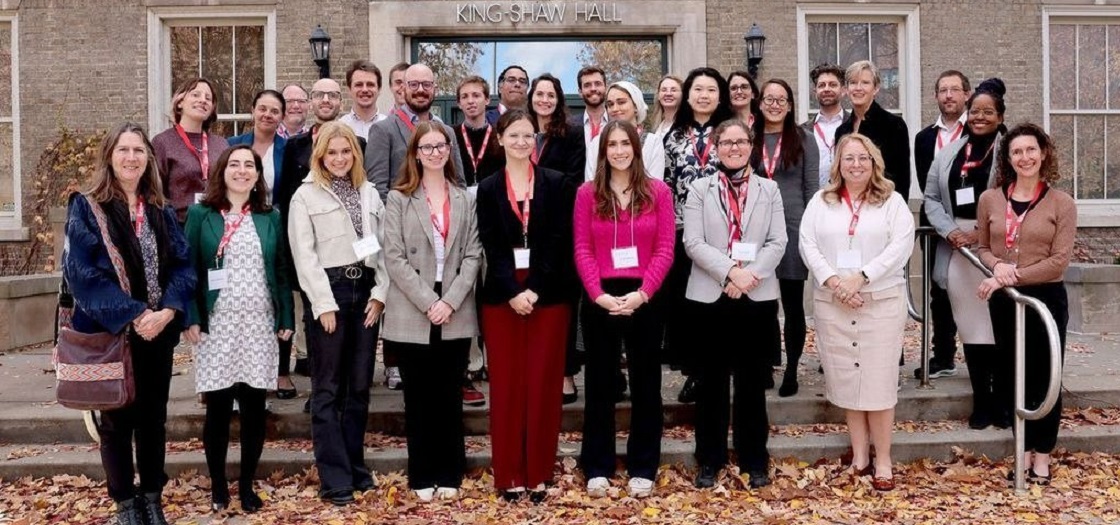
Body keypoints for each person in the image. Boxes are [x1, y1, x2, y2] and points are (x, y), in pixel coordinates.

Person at [64, 122, 195, 525]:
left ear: (148, 159)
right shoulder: (88, 208)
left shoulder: (159, 209)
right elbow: (83, 274)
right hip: (113, 331)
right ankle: (125, 503)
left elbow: (184, 265)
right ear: (109, 155)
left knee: (153, 419)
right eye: (123, 149)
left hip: (158, 332)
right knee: (117, 421)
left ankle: (152, 496)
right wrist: (136, 314)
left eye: (139, 150)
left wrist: (169, 311)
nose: (131, 157)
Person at [799, 133, 915, 491]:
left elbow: (901, 246)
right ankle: (860, 454)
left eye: (863, 158)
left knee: (878, 384)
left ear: (874, 162)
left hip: (878, 302)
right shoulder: (822, 201)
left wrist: (862, 277)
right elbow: (808, 243)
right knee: (849, 379)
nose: (856, 164)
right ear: (838, 164)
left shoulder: (892, 202)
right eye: (848, 158)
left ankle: (883, 459)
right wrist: (835, 282)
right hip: (834, 302)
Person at [183, 145, 294, 513]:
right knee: (217, 408)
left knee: (252, 408)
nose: (242, 171)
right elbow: (188, 271)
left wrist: (286, 319)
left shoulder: (269, 216)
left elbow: (280, 271)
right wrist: (191, 316)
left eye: (250, 165)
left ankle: (246, 485)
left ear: (258, 175)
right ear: (222, 170)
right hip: (216, 325)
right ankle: (218, 486)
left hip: (258, 323)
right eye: (235, 164)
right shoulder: (201, 215)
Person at [287, 122, 389, 506]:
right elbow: (304, 255)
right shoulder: (305, 196)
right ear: (320, 156)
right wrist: (322, 304)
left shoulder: (369, 192)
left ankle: (355, 467)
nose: (340, 158)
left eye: (346, 152)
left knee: (359, 387)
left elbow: (383, 246)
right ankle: (334, 478)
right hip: (330, 293)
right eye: (332, 153)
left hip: (365, 291)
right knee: (328, 389)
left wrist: (380, 293)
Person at [476, 109, 575, 503]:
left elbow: (556, 240)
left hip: (548, 297)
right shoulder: (486, 188)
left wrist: (533, 287)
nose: (521, 142)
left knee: (543, 386)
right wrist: (514, 291)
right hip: (502, 299)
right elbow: (492, 244)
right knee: (507, 386)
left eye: (527, 135)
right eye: (514, 135)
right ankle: (510, 473)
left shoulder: (556, 182)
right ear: (499, 139)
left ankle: (538, 473)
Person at [382, 122, 484, 502]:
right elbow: (393, 257)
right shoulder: (399, 198)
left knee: (448, 395)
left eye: (441, 145)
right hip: (413, 305)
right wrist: (429, 302)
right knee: (419, 398)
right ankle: (423, 473)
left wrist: (450, 301)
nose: (435, 152)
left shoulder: (464, 198)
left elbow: (474, 253)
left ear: (449, 150)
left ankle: (450, 471)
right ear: (415, 152)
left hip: (455, 303)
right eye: (427, 147)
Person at [574, 120, 674, 499]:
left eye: (624, 143)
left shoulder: (658, 193)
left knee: (647, 384)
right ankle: (597, 465)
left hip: (644, 295)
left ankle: (643, 465)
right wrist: (597, 294)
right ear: (603, 151)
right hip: (600, 296)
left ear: (636, 147)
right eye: (611, 144)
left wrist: (643, 293)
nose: (618, 150)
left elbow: (665, 248)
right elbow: (582, 248)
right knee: (599, 384)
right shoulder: (587, 194)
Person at [683, 119, 785, 490]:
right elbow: (693, 243)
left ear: (751, 145)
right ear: (716, 146)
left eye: (740, 141)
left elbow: (778, 241)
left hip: (755, 296)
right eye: (726, 142)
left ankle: (754, 458)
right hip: (711, 296)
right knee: (710, 384)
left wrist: (748, 276)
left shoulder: (769, 190)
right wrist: (730, 274)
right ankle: (709, 459)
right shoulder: (699, 189)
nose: (734, 148)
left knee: (751, 383)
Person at [976, 123, 1075, 485]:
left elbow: (1058, 261)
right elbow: (983, 248)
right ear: (1008, 158)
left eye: (1031, 150)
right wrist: (996, 266)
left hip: (1045, 299)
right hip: (1006, 302)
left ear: (1044, 153)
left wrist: (1008, 275)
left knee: (1044, 377)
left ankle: (1043, 456)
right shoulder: (990, 199)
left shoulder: (1061, 203)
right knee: (1010, 375)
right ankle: (1022, 451)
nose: (1025, 157)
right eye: (1017, 152)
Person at [924, 78, 1005, 430]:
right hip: (958, 248)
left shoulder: (1010, 150)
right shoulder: (950, 153)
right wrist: (951, 231)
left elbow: (1016, 200)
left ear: (1001, 116)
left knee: (999, 329)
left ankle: (1003, 401)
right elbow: (930, 198)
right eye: (975, 111)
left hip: (996, 247)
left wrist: (981, 233)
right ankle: (981, 403)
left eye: (988, 112)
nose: (980, 117)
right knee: (972, 330)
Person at [275, 77, 358, 395]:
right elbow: (285, 199)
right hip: (309, 249)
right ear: (310, 101)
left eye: (333, 95)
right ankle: (320, 390)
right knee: (315, 323)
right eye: (320, 95)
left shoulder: (356, 144)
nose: (326, 100)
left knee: (346, 324)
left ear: (341, 101)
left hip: (346, 252)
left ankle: (347, 385)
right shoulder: (295, 147)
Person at [662, 67, 733, 403]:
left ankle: (717, 368)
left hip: (723, 231)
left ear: (720, 96)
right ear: (687, 95)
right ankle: (694, 371)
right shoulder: (673, 137)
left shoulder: (732, 133)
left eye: (711, 90)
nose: (704, 95)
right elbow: (665, 183)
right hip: (681, 230)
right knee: (688, 303)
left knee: (719, 303)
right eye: (698, 89)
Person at [228, 89, 297, 399]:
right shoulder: (233, 146)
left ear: (282, 117)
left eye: (275, 110)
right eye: (263, 108)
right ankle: (238, 370)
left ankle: (281, 371)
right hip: (237, 227)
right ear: (252, 110)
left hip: (276, 228)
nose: (268, 115)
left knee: (277, 293)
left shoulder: (289, 148)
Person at [752, 78, 819, 396]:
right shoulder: (750, 138)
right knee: (760, 303)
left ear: (790, 105)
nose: (775, 104)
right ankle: (763, 365)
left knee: (792, 304)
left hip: (793, 225)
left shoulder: (804, 139)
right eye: (769, 98)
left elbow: (811, 189)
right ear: (760, 102)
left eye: (781, 99)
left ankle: (792, 369)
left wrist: (810, 230)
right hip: (754, 229)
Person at [526, 72, 586, 403]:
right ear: (531, 97)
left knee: (561, 304)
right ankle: (537, 369)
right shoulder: (519, 129)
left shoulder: (571, 133)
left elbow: (573, 181)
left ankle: (565, 373)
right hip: (521, 233)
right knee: (531, 302)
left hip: (560, 230)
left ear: (559, 99)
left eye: (551, 95)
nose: (545, 100)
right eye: (540, 94)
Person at [913, 70, 973, 381]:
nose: (948, 96)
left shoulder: (978, 132)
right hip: (936, 226)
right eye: (942, 90)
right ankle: (944, 355)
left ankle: (984, 356)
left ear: (967, 94)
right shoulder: (923, 139)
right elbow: (929, 186)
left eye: (954, 90)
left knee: (974, 289)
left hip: (972, 225)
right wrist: (943, 225)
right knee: (939, 290)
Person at [366, 63, 465, 201]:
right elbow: (377, 191)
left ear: (434, 89)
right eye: (413, 84)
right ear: (403, 88)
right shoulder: (382, 130)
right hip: (403, 219)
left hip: (444, 218)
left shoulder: (448, 132)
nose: (420, 90)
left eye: (426, 84)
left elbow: (458, 183)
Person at [152, 77, 230, 223]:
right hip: (179, 228)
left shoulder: (222, 144)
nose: (203, 100)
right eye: (196, 95)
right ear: (180, 102)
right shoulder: (162, 142)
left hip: (216, 225)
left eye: (208, 98)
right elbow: (154, 192)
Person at [834, 61, 911, 201]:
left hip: (882, 204)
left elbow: (902, 178)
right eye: (853, 83)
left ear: (875, 88)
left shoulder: (894, 125)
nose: (858, 88)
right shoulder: (841, 130)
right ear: (846, 89)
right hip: (849, 206)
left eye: (865, 83)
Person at [583, 81, 666, 182]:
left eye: (621, 102)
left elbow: (656, 187)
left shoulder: (652, 142)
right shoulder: (597, 142)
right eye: (610, 104)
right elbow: (590, 186)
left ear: (636, 106)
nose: (615, 108)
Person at [801, 64, 848, 188]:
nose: (827, 89)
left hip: (848, 199)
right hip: (814, 200)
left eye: (833, 84)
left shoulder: (855, 125)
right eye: (821, 85)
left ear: (843, 90)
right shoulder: (802, 131)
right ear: (815, 92)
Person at [455, 75, 504, 188]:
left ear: (487, 100)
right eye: (465, 97)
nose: (470, 101)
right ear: (459, 104)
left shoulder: (499, 136)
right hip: (460, 201)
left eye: (476, 95)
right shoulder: (451, 135)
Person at [340, 60, 387, 139]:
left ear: (379, 89)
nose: (365, 90)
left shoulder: (389, 126)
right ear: (349, 90)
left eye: (370, 84)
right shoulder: (341, 127)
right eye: (359, 85)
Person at [574, 66, 609, 145]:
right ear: (580, 92)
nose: (593, 88)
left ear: (605, 88)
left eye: (598, 84)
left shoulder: (617, 121)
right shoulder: (569, 126)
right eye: (587, 85)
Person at [651, 75, 683, 143]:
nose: (668, 94)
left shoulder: (688, 126)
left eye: (673, 90)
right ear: (658, 96)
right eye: (664, 90)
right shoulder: (658, 126)